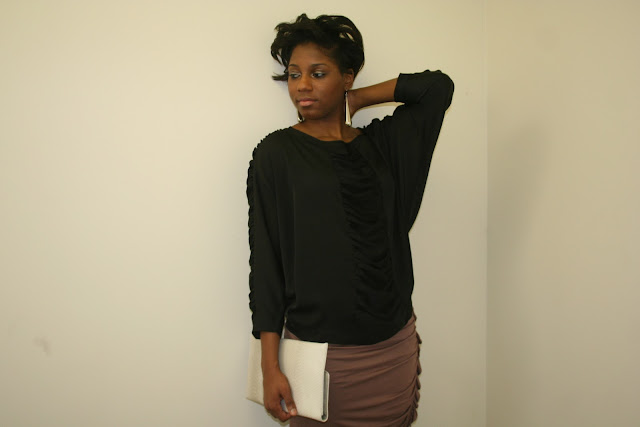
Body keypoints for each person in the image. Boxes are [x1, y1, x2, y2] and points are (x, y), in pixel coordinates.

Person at [247, 13, 454, 426]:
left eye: (318, 73)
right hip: (319, 360)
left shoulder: (381, 145)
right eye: (293, 75)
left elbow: (437, 88)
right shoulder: (275, 154)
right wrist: (270, 366)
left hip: (392, 351)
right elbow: (266, 263)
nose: (302, 85)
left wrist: (356, 99)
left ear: (346, 76)